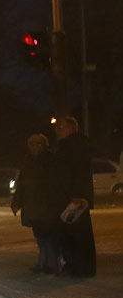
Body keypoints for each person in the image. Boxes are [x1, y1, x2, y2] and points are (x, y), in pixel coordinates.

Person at [11, 134, 62, 274]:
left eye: (38, 144)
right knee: (40, 235)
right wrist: (16, 203)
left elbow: (56, 184)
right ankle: (43, 262)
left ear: (45, 145)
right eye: (32, 144)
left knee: (50, 235)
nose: (35, 147)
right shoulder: (28, 162)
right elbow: (22, 184)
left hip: (47, 206)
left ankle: (52, 263)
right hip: (33, 205)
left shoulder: (51, 161)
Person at [55, 116, 96, 277]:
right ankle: (78, 266)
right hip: (73, 196)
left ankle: (79, 266)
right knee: (75, 233)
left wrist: (77, 195)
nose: (58, 130)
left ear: (71, 128)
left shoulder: (74, 146)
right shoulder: (73, 145)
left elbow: (78, 172)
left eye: (61, 127)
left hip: (74, 199)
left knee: (76, 234)